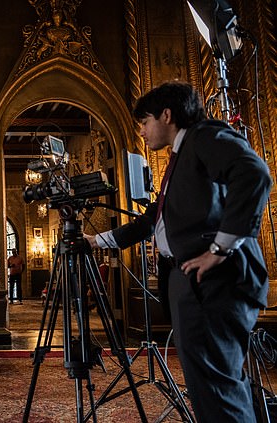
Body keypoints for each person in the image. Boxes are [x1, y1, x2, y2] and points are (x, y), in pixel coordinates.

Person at [84, 81, 272, 422]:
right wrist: (97, 241)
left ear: (167, 115)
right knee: (214, 386)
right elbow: (151, 221)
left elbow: (255, 173)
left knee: (217, 388)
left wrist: (220, 248)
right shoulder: (181, 155)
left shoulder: (204, 136)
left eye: (144, 122)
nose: (141, 131)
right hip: (193, 284)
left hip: (213, 282)